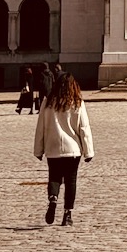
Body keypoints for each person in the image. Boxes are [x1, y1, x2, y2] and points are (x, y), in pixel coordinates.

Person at [32, 72, 94, 227]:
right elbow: (84, 128)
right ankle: (67, 213)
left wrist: (38, 150)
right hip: (73, 150)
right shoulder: (77, 102)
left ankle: (53, 199)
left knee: (54, 177)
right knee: (71, 181)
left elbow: (41, 128)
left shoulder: (47, 102)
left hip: (53, 148)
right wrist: (88, 152)